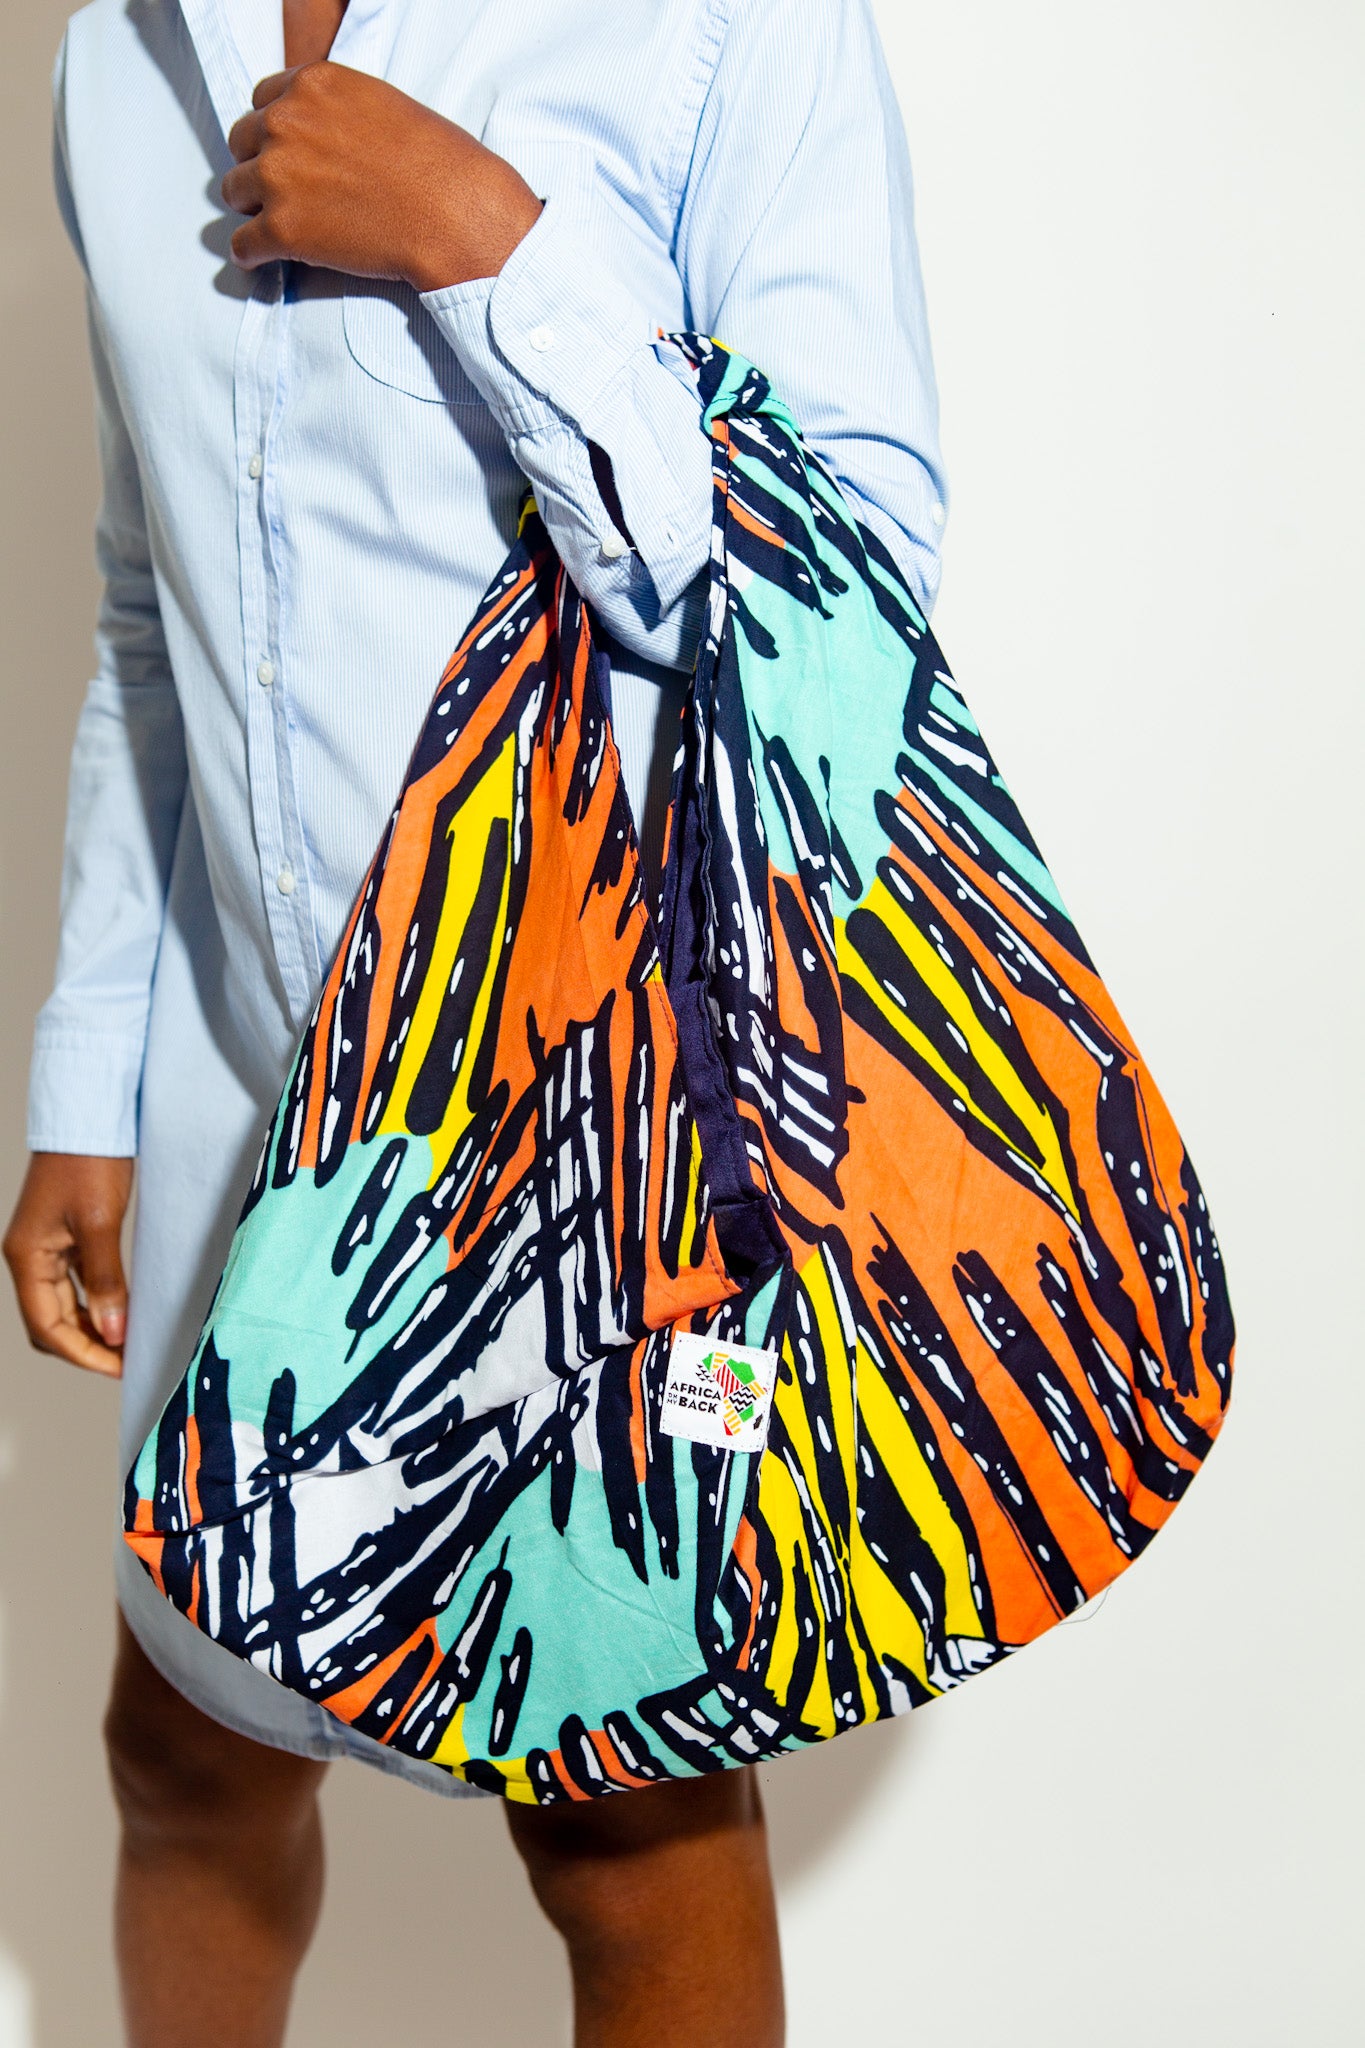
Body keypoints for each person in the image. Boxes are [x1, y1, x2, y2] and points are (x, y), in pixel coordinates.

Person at [3, 0, 945, 2040]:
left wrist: (494, 247)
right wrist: (93, 1072)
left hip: (583, 1113)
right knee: (185, 1760)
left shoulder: (721, 24)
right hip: (248, 1109)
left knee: (624, 1828)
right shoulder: (113, 60)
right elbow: (152, 612)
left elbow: (851, 605)